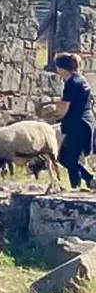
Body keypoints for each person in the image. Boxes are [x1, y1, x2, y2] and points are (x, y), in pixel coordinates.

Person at [55, 53, 96, 190]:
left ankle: (78, 185)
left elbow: (65, 107)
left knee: (69, 159)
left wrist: (56, 113)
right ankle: (87, 179)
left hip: (77, 124)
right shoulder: (81, 79)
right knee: (64, 157)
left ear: (61, 68)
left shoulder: (71, 83)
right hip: (85, 122)